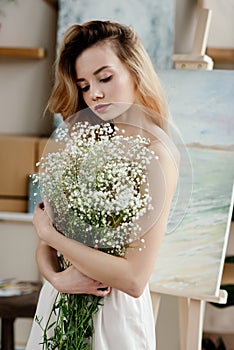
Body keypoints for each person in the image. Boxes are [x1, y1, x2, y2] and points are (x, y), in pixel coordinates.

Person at [26, 20, 179, 349]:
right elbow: (45, 250)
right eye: (83, 85)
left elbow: (135, 279)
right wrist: (57, 278)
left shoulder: (157, 156)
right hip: (57, 310)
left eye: (105, 78)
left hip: (114, 318)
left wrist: (50, 235)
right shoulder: (84, 142)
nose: (94, 93)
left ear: (134, 70)